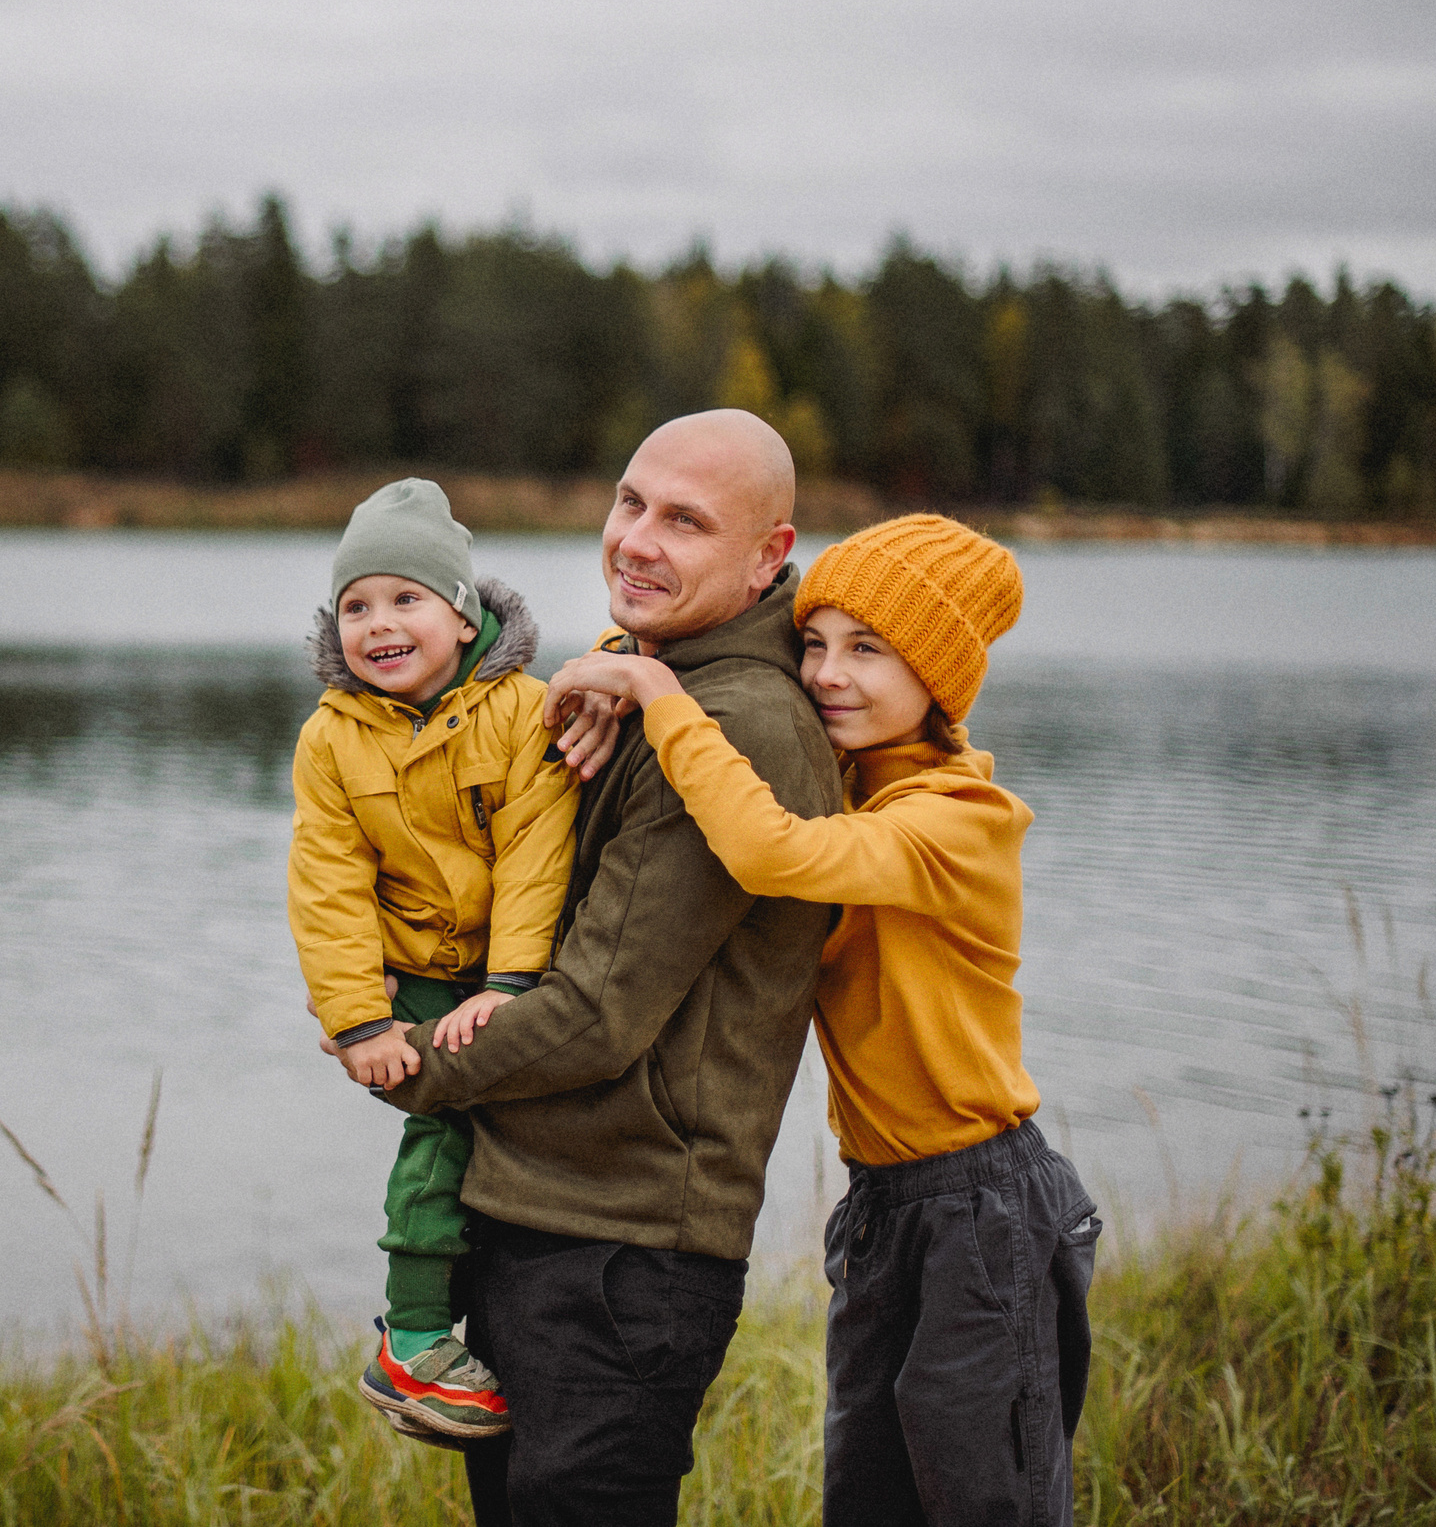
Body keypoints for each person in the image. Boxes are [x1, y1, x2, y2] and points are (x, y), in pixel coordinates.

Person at [544, 512, 1101, 1527]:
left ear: (939, 675)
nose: (828, 673)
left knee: (987, 1506)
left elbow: (773, 856)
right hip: (885, 1207)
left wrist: (660, 694)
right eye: (813, 642)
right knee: (870, 1499)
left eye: (867, 649)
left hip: (981, 1205)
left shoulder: (956, 822)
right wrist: (619, 654)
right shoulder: (851, 781)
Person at [341, 410, 843, 1527]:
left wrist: (400, 1064)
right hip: (540, 1219)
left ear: (769, 554)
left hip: (623, 1254)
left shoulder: (736, 725)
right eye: (629, 501)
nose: (637, 540)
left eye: (686, 520)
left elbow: (595, 1014)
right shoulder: (648, 681)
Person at [289, 477, 583, 1442]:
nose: (379, 624)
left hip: (500, 965)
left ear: (463, 615)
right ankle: (412, 1335)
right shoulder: (332, 737)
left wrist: (507, 986)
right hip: (408, 973)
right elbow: (326, 881)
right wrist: (358, 1019)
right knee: (446, 1119)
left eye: (406, 598)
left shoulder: (522, 712)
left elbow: (540, 852)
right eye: (357, 605)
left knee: (494, 1117)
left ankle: (439, 1328)